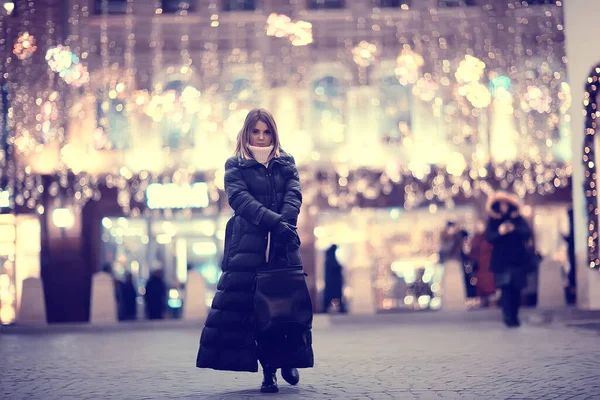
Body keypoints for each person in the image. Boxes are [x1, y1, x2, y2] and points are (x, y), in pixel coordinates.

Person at [196, 108, 314, 393]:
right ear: (246, 132)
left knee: (285, 305)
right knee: (253, 311)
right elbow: (240, 200)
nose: (261, 138)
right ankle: (269, 372)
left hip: (282, 245)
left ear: (273, 134)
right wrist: (273, 222)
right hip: (248, 248)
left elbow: (293, 194)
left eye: (266, 132)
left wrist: (284, 225)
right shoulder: (234, 164)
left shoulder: (286, 162)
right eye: (256, 131)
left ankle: (288, 358)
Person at [485, 192, 534, 328]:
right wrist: (500, 232)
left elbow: (527, 233)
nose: (504, 207)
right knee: (505, 290)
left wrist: (514, 229)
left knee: (516, 289)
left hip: (517, 260)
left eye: (506, 204)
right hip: (501, 261)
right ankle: (508, 317)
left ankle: (514, 316)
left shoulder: (518, 219)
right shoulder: (493, 221)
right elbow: (489, 237)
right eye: (501, 204)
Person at [439, 221, 467, 310]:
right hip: (449, 262)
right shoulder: (445, 237)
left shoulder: (458, 236)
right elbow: (445, 249)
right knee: (450, 284)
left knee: (456, 283)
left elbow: (461, 247)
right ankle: (449, 304)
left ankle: (458, 303)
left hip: (456, 261)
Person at [469, 222, 496, 307]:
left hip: (485, 268)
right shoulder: (484, 239)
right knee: (487, 287)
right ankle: (489, 303)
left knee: (486, 287)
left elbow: (471, 254)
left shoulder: (479, 239)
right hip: (485, 268)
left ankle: (487, 303)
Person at [323, 244, 346, 313]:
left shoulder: (329, 259)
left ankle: (340, 308)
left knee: (332, 296)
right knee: (334, 295)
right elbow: (336, 267)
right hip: (333, 283)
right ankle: (340, 308)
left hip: (333, 283)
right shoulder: (330, 260)